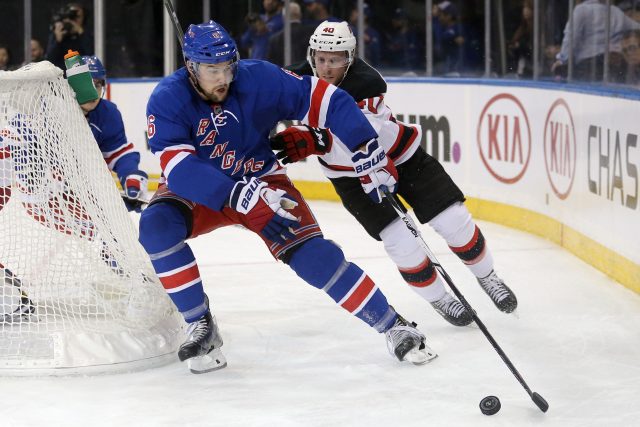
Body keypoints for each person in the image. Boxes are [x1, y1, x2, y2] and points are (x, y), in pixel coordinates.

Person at [140, 20, 437, 374]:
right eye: (211, 69)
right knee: (156, 227)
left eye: (227, 67)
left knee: (314, 257)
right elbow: (178, 168)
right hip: (203, 188)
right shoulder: (167, 97)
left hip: (262, 179)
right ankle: (200, 323)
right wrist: (233, 193)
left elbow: (326, 100)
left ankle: (394, 324)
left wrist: (365, 145)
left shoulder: (259, 78)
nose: (222, 78)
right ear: (191, 66)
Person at [273, 21, 518, 327]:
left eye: (334, 59)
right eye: (321, 58)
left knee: (453, 220)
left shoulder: (366, 82)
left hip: (401, 157)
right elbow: (262, 97)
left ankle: (488, 276)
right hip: (349, 179)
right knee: (400, 243)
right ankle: (440, 298)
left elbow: (364, 135)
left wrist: (318, 140)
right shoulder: (295, 78)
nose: (326, 67)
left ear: (349, 57)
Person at [78, 55, 149, 212]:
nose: (93, 91)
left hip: (86, 194)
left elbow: (119, 153)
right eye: (87, 85)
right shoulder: (54, 109)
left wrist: (130, 175)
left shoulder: (107, 113)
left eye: (97, 85)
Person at [552, 0, 640, 81]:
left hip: (589, 65)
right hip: (615, 62)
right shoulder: (615, 12)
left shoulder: (581, 10)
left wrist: (562, 60)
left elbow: (570, 38)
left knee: (559, 71)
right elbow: (636, 27)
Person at [45, 3, 93, 70]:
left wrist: (81, 33)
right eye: (70, 17)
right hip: (61, 75)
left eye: (77, 17)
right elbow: (49, 60)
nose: (72, 21)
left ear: (83, 18)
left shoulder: (87, 33)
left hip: (82, 73)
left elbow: (91, 56)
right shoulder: (59, 33)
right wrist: (57, 40)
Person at [267, 1, 315, 66]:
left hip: (284, 75)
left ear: (283, 18)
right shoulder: (312, 33)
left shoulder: (274, 40)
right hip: (307, 73)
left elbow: (271, 66)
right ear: (300, 15)